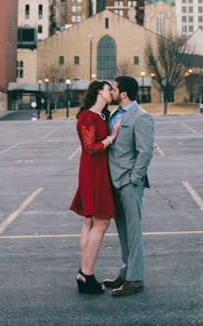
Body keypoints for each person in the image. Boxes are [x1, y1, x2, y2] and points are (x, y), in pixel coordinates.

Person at [103, 75, 155, 297]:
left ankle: (136, 279)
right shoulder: (115, 113)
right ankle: (126, 273)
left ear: (123, 93)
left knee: (134, 231)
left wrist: (135, 179)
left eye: (114, 89)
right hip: (113, 181)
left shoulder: (142, 117)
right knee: (123, 231)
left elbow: (146, 151)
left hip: (129, 183)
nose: (112, 92)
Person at [69, 80, 121, 294]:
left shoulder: (102, 115)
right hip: (93, 172)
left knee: (90, 222)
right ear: (100, 91)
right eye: (110, 89)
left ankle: (84, 273)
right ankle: (86, 274)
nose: (112, 93)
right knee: (101, 223)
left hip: (97, 171)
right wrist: (112, 137)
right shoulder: (87, 117)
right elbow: (90, 148)